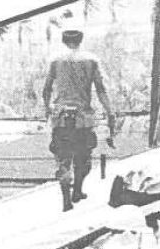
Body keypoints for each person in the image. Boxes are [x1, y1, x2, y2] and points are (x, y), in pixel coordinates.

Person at [42, 28, 115, 211]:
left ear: (63, 40)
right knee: (83, 158)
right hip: (83, 118)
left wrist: (47, 108)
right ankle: (78, 191)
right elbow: (100, 89)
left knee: (63, 160)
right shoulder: (91, 60)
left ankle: (67, 200)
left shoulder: (55, 61)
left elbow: (47, 89)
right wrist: (110, 111)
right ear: (81, 40)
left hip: (61, 119)